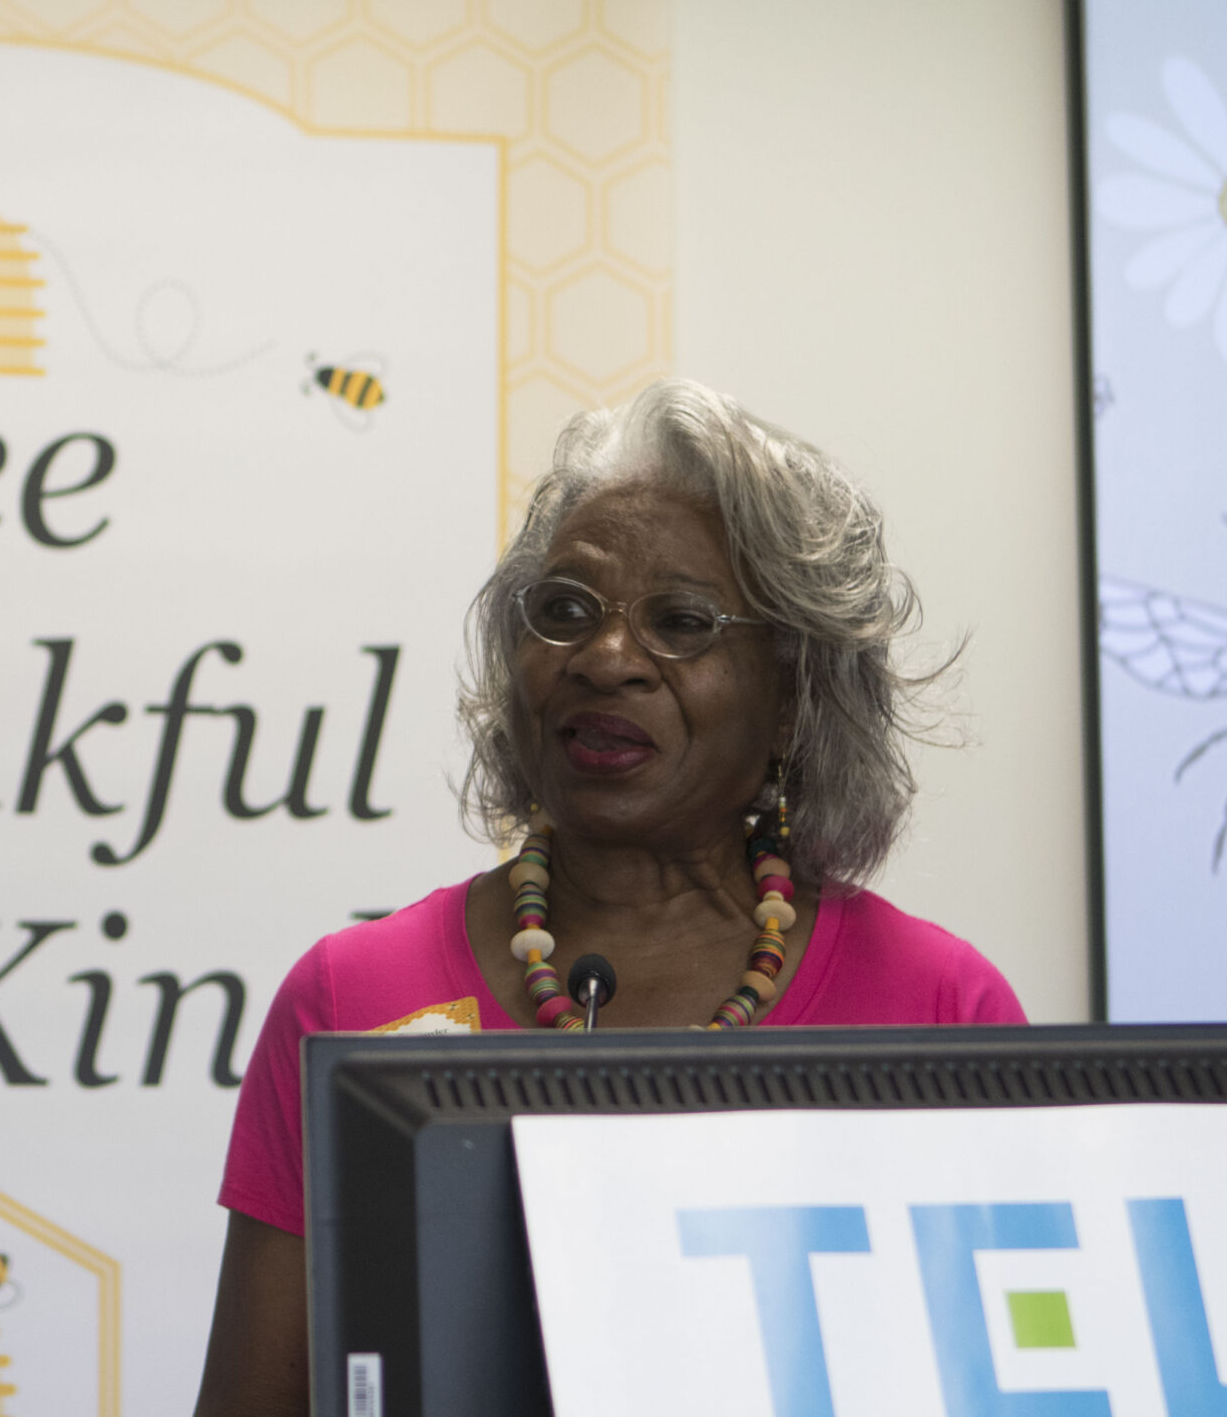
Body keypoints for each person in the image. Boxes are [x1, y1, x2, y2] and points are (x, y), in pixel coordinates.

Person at [190, 379, 1027, 1415]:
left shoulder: (937, 1006)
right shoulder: (351, 1000)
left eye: (680, 622)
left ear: (791, 697)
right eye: (565, 611)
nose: (604, 658)